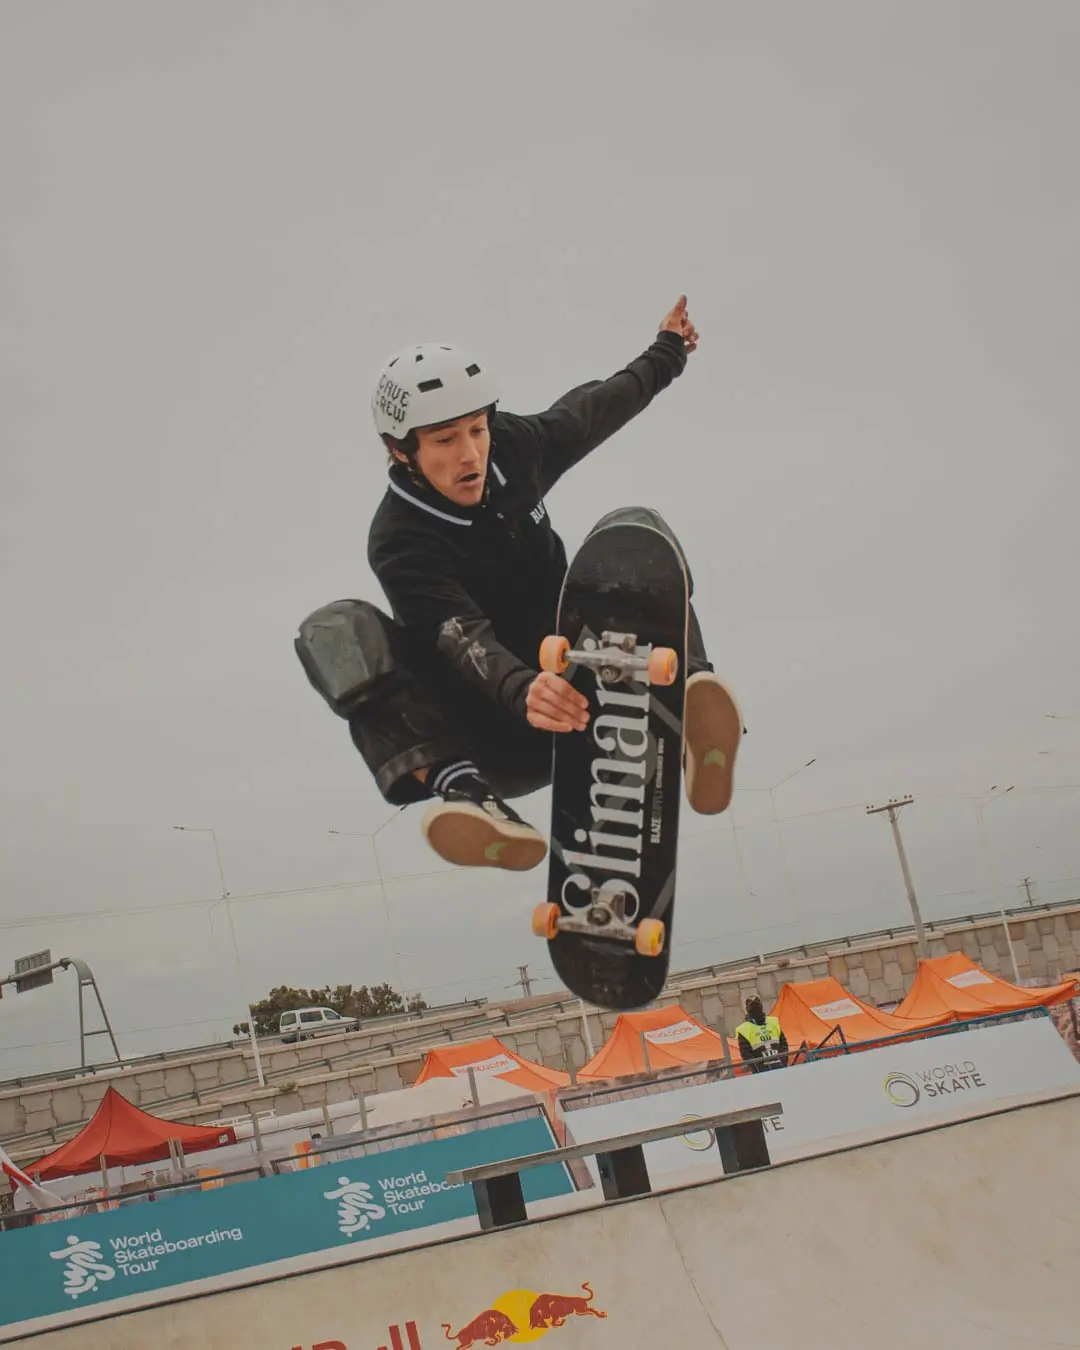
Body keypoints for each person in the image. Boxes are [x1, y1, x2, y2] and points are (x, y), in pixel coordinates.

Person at [294, 296, 744, 870]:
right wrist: (522, 688)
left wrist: (669, 349)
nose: (471, 456)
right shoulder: (400, 539)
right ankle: (474, 803)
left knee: (634, 528)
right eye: (444, 441)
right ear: (400, 450)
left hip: (587, 687)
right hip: (494, 729)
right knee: (334, 629)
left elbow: (598, 406)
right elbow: (461, 636)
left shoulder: (515, 446)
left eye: (476, 431)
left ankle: (691, 702)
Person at [735, 995, 788, 1072]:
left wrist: (782, 1061)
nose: (756, 1010)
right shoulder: (744, 1029)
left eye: (757, 1006)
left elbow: (784, 1044)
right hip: (761, 1074)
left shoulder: (773, 1022)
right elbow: (746, 1054)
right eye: (753, 1007)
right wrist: (758, 1069)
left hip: (780, 1068)